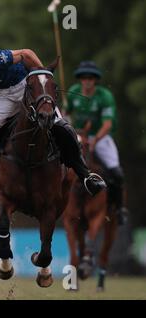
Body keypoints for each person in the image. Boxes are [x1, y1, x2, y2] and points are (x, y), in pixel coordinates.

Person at [0, 30, 107, 206]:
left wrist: (41, 75)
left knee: (62, 127)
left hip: (24, 86)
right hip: (1, 95)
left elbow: (25, 53)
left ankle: (86, 176)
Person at [66, 61, 128, 225]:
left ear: (95, 80)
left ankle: (119, 207)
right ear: (80, 79)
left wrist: (94, 141)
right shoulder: (73, 92)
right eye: (84, 78)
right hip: (77, 136)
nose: (87, 81)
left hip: (99, 137)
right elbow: (65, 114)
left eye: (90, 78)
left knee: (116, 172)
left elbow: (107, 124)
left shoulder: (104, 96)